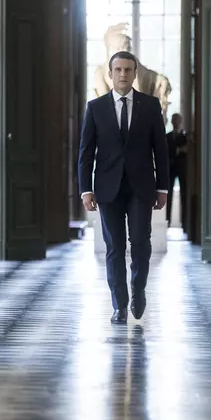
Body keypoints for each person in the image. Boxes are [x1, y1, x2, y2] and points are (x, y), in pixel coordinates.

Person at [78, 50, 169, 324]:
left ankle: (138, 291)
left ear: (134, 73)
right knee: (114, 248)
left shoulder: (151, 106)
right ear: (110, 73)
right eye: (118, 70)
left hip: (142, 188)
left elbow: (161, 151)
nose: (122, 75)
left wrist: (162, 188)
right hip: (107, 189)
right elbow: (86, 152)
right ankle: (119, 304)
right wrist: (86, 189)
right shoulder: (95, 108)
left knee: (141, 244)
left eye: (128, 70)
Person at [165, 113, 187, 227]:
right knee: (168, 196)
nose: (175, 122)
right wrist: (178, 150)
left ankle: (185, 222)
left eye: (178, 120)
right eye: (174, 120)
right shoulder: (167, 136)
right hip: (170, 169)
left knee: (184, 195)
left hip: (182, 170)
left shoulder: (185, 136)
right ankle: (167, 220)